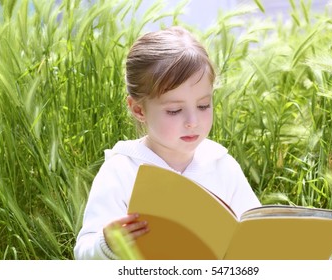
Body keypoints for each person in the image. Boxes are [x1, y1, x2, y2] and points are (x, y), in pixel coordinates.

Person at [73, 26, 261, 260]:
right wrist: (107, 244)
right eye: (174, 110)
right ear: (138, 109)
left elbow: (255, 234)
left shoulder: (221, 164)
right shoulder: (122, 171)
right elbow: (83, 255)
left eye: (203, 106)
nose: (193, 122)